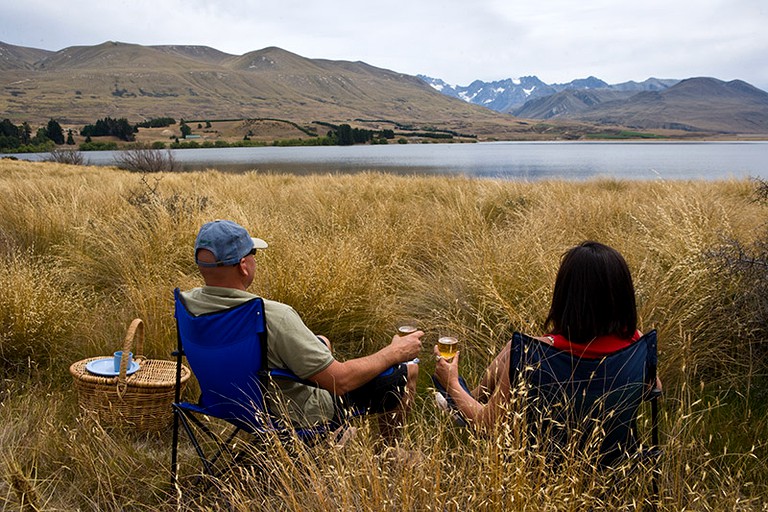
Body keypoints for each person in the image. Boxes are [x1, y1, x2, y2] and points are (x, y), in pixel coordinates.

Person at [181, 219, 422, 442]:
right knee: (408, 370)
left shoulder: (188, 304)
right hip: (283, 411)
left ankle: (338, 437)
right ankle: (388, 455)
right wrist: (394, 352)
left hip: (224, 402)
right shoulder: (272, 316)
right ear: (244, 266)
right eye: (252, 253)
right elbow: (341, 381)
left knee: (322, 341)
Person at [433, 240, 661, 431]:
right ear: (623, 295)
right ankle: (470, 398)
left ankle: (459, 399)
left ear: (566, 296)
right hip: (617, 460)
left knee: (516, 350)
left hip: (547, 468)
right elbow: (653, 389)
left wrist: (451, 383)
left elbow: (488, 425)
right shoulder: (638, 345)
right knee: (514, 348)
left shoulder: (533, 353)